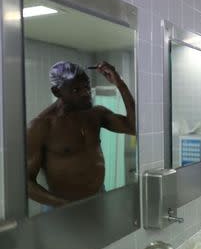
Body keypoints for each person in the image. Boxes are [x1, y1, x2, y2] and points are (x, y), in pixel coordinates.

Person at [27, 61, 136, 208]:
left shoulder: (95, 114)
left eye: (86, 87)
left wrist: (119, 83)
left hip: (98, 198)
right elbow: (26, 183)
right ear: (57, 92)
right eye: (76, 90)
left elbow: (134, 127)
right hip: (63, 208)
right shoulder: (41, 126)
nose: (85, 93)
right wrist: (65, 205)